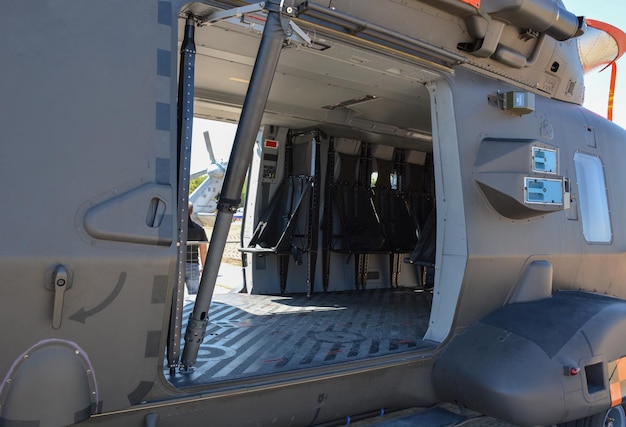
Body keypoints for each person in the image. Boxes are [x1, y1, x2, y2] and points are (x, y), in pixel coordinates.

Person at [186, 203, 208, 295]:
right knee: (194, 294)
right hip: (192, 264)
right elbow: (203, 250)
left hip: (175, 264)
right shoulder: (199, 229)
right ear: (192, 212)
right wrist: (204, 266)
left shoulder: (174, 228)